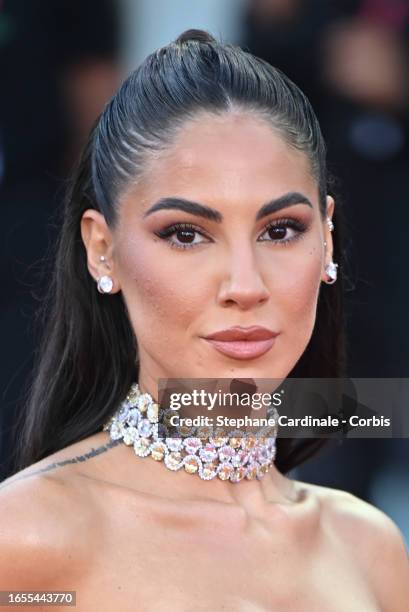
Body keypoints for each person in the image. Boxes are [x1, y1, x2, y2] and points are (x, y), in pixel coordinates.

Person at [0, 29, 407, 611]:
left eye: (281, 230)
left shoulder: (370, 546)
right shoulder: (27, 539)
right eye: (186, 234)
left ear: (327, 240)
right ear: (101, 249)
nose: (245, 286)